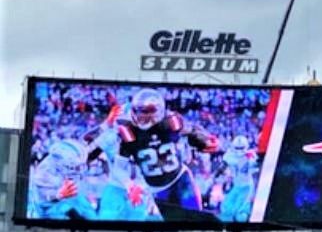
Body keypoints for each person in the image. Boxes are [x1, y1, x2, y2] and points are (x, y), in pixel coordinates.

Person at [109, 88, 219, 220]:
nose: (141, 118)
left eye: (146, 114)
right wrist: (130, 186)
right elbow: (118, 168)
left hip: (181, 180)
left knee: (195, 223)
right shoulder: (129, 133)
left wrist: (204, 139)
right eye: (139, 112)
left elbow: (193, 130)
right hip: (158, 190)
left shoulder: (170, 122)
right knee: (175, 229)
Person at [27, 139, 99, 220]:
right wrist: (57, 195)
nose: (78, 170)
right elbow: (41, 201)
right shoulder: (44, 175)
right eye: (75, 167)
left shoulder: (68, 171)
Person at [215, 134, 258, 222]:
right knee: (226, 206)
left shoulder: (250, 155)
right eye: (237, 148)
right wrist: (219, 172)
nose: (239, 150)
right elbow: (224, 165)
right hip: (236, 185)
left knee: (240, 213)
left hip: (246, 186)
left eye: (241, 148)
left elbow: (253, 166)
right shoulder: (229, 154)